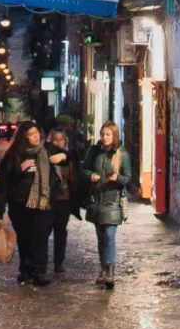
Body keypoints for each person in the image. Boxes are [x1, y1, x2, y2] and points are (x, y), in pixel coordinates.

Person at [0, 121, 60, 287]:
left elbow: (68, 157)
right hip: (19, 204)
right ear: (23, 137)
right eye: (31, 134)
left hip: (42, 204)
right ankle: (26, 270)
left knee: (41, 237)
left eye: (36, 132)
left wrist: (64, 156)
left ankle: (40, 271)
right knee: (24, 238)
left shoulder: (46, 151)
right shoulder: (13, 156)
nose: (35, 136)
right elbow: (3, 183)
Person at [81, 121, 132, 290]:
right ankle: (103, 269)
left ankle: (110, 270)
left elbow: (128, 178)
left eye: (108, 135)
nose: (104, 138)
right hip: (97, 200)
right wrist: (91, 176)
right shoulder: (94, 152)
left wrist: (117, 178)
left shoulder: (121, 154)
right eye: (102, 134)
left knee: (109, 235)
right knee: (101, 236)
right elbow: (84, 170)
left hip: (112, 201)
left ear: (114, 135)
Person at [46, 128, 81, 274]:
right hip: (49, 200)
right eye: (55, 139)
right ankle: (40, 263)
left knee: (60, 232)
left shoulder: (70, 157)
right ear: (50, 140)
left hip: (64, 200)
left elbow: (76, 174)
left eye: (61, 139)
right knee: (45, 231)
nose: (58, 142)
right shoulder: (47, 156)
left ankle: (59, 262)